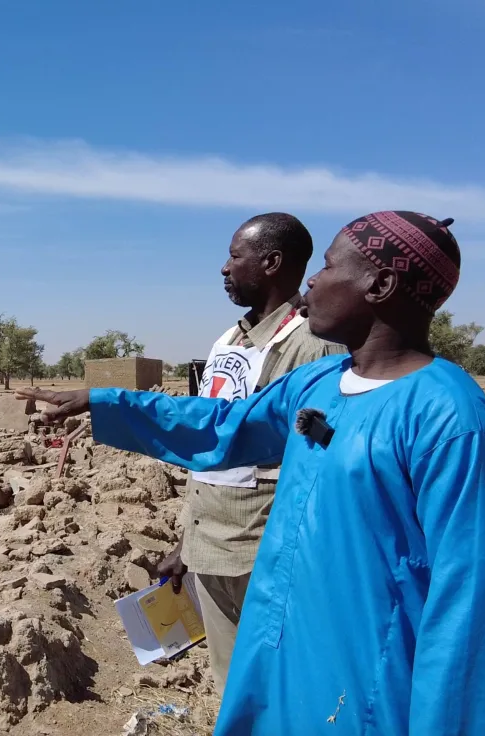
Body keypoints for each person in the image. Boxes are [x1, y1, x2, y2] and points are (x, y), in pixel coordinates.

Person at [19, 211, 485, 735]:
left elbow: (473, 609)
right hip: (283, 637)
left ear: (380, 284)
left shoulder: (452, 422)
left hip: (368, 672)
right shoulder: (321, 382)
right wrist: (104, 403)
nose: (313, 279)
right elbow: (223, 425)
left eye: (328, 267)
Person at [168, 212, 343, 696]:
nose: (224, 269)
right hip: (211, 548)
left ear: (270, 262)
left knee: (287, 690)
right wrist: (187, 540)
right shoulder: (228, 341)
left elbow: (327, 465)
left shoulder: (314, 348)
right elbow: (211, 446)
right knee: (233, 688)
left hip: (268, 556)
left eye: (233, 256)